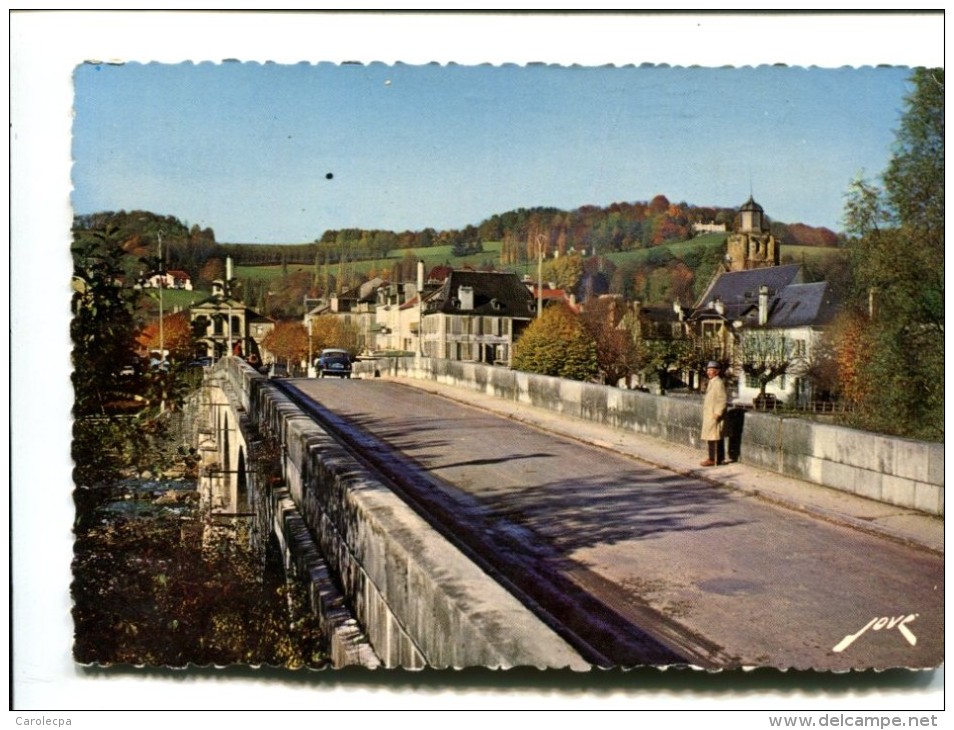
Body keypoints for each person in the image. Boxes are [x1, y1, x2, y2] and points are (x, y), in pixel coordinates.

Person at [700, 360, 727, 466]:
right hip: (710, 414)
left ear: (717, 372)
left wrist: (718, 413)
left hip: (714, 415)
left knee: (714, 437)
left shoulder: (718, 383)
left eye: (711, 370)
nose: (709, 372)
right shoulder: (712, 382)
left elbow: (722, 399)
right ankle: (716, 459)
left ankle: (714, 459)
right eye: (708, 370)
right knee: (712, 437)